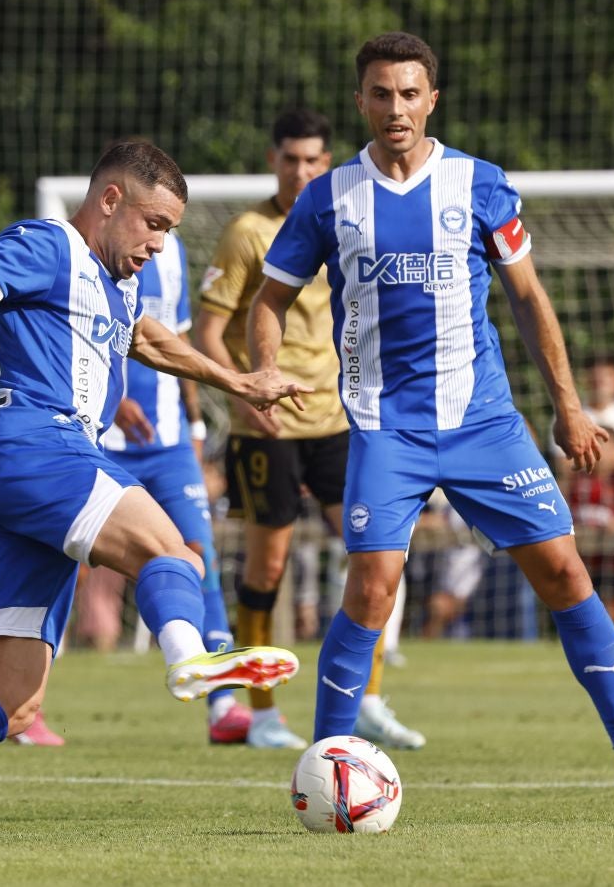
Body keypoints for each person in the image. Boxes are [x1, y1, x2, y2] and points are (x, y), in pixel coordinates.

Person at [0, 141, 310, 844]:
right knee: (173, 550)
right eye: (154, 224)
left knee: (12, 702)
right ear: (110, 201)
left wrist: (242, 383)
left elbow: (154, 344)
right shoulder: (48, 244)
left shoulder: (117, 282)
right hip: (38, 446)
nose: (160, 245)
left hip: (5, 484)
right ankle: (189, 661)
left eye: (170, 230)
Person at [249, 32, 614, 808]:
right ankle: (325, 768)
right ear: (362, 101)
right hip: (388, 429)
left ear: (432, 101)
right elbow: (271, 300)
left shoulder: (478, 184)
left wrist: (568, 407)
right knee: (373, 588)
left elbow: (527, 298)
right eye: (381, 93)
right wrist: (263, 367)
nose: (396, 108)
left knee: (564, 573)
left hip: (485, 421)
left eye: (409, 93)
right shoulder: (327, 197)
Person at [195, 109, 424, 750]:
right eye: (291, 158)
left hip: (340, 421)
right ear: (274, 160)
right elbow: (208, 330)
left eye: (314, 160)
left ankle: (370, 698)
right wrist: (242, 396)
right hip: (266, 427)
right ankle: (262, 710)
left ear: (328, 162)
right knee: (266, 566)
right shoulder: (247, 232)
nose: (302, 170)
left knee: (375, 555)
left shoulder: (345, 215)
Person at [86, 225, 251, 744]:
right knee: (64, 568)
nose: (160, 232)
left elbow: (175, 339)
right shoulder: (85, 247)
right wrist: (112, 397)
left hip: (171, 442)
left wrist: (196, 426)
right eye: (153, 217)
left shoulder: (173, 249)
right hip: (102, 439)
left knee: (198, 549)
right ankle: (23, 703)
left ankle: (223, 703)